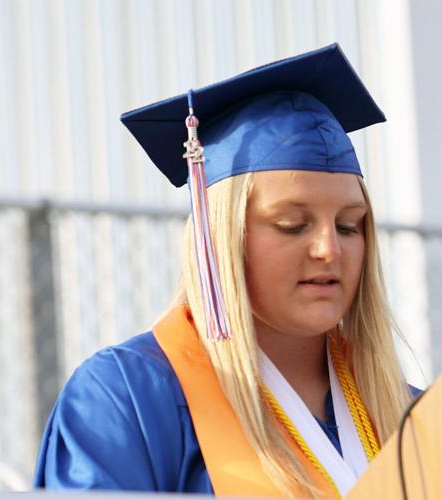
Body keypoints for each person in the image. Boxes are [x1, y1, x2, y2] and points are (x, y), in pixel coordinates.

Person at [34, 44, 410, 497]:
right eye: (292, 225)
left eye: (350, 226)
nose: (329, 249)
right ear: (220, 236)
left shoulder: (404, 409)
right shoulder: (129, 399)